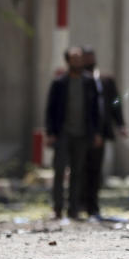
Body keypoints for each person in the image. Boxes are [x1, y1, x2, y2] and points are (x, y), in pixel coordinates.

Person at [45, 46, 101, 220]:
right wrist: (50, 132)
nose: (78, 61)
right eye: (74, 58)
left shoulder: (89, 81)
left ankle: (74, 209)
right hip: (63, 133)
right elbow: (50, 110)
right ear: (68, 61)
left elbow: (95, 110)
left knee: (78, 172)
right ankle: (58, 208)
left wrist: (97, 132)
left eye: (80, 58)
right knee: (60, 171)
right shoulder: (59, 83)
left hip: (82, 134)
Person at [81, 46, 127, 221]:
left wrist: (121, 124)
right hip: (82, 133)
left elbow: (116, 102)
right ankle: (79, 204)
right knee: (80, 171)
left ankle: (93, 206)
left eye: (90, 58)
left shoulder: (106, 80)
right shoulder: (80, 82)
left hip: (102, 132)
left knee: (95, 170)